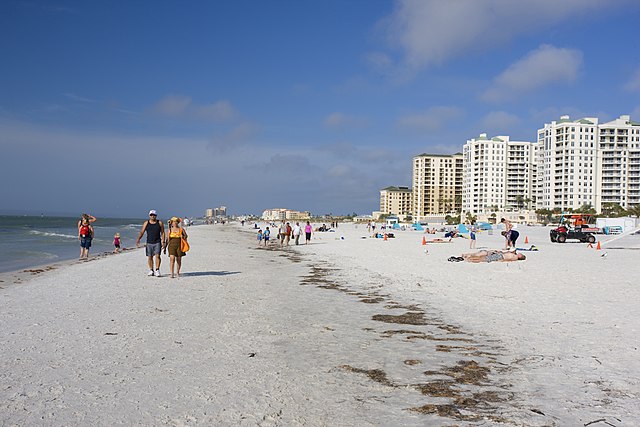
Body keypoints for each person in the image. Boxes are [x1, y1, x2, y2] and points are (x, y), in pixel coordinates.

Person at [136, 210, 166, 277]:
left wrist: (163, 241)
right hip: (149, 242)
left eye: (154, 215)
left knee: (157, 256)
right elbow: (142, 232)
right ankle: (151, 270)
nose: (153, 216)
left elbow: (163, 232)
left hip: (157, 242)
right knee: (150, 257)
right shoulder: (146, 223)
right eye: (151, 215)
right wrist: (138, 239)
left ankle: (157, 269)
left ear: (156, 216)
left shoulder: (160, 223)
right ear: (149, 215)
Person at [455, 250, 526, 263]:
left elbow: (509, 260)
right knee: (483, 257)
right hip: (500, 255)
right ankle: (468, 258)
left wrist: (501, 261)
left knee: (483, 259)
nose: (520, 254)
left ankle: (469, 260)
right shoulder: (514, 254)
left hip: (500, 257)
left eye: (521, 255)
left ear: (520, 257)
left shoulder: (515, 257)